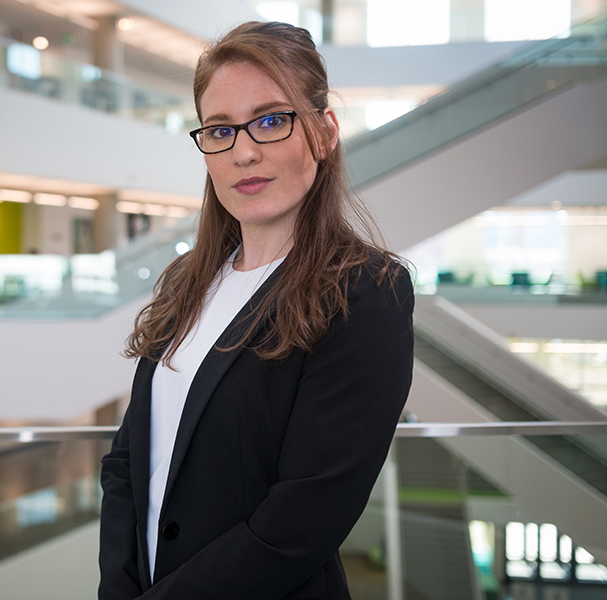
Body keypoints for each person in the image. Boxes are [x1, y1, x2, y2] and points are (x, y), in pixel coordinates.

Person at [98, 21, 415, 599]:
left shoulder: (367, 292)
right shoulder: (190, 282)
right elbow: (127, 463)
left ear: (324, 133)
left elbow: (300, 523)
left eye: (272, 120)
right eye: (221, 130)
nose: (244, 151)